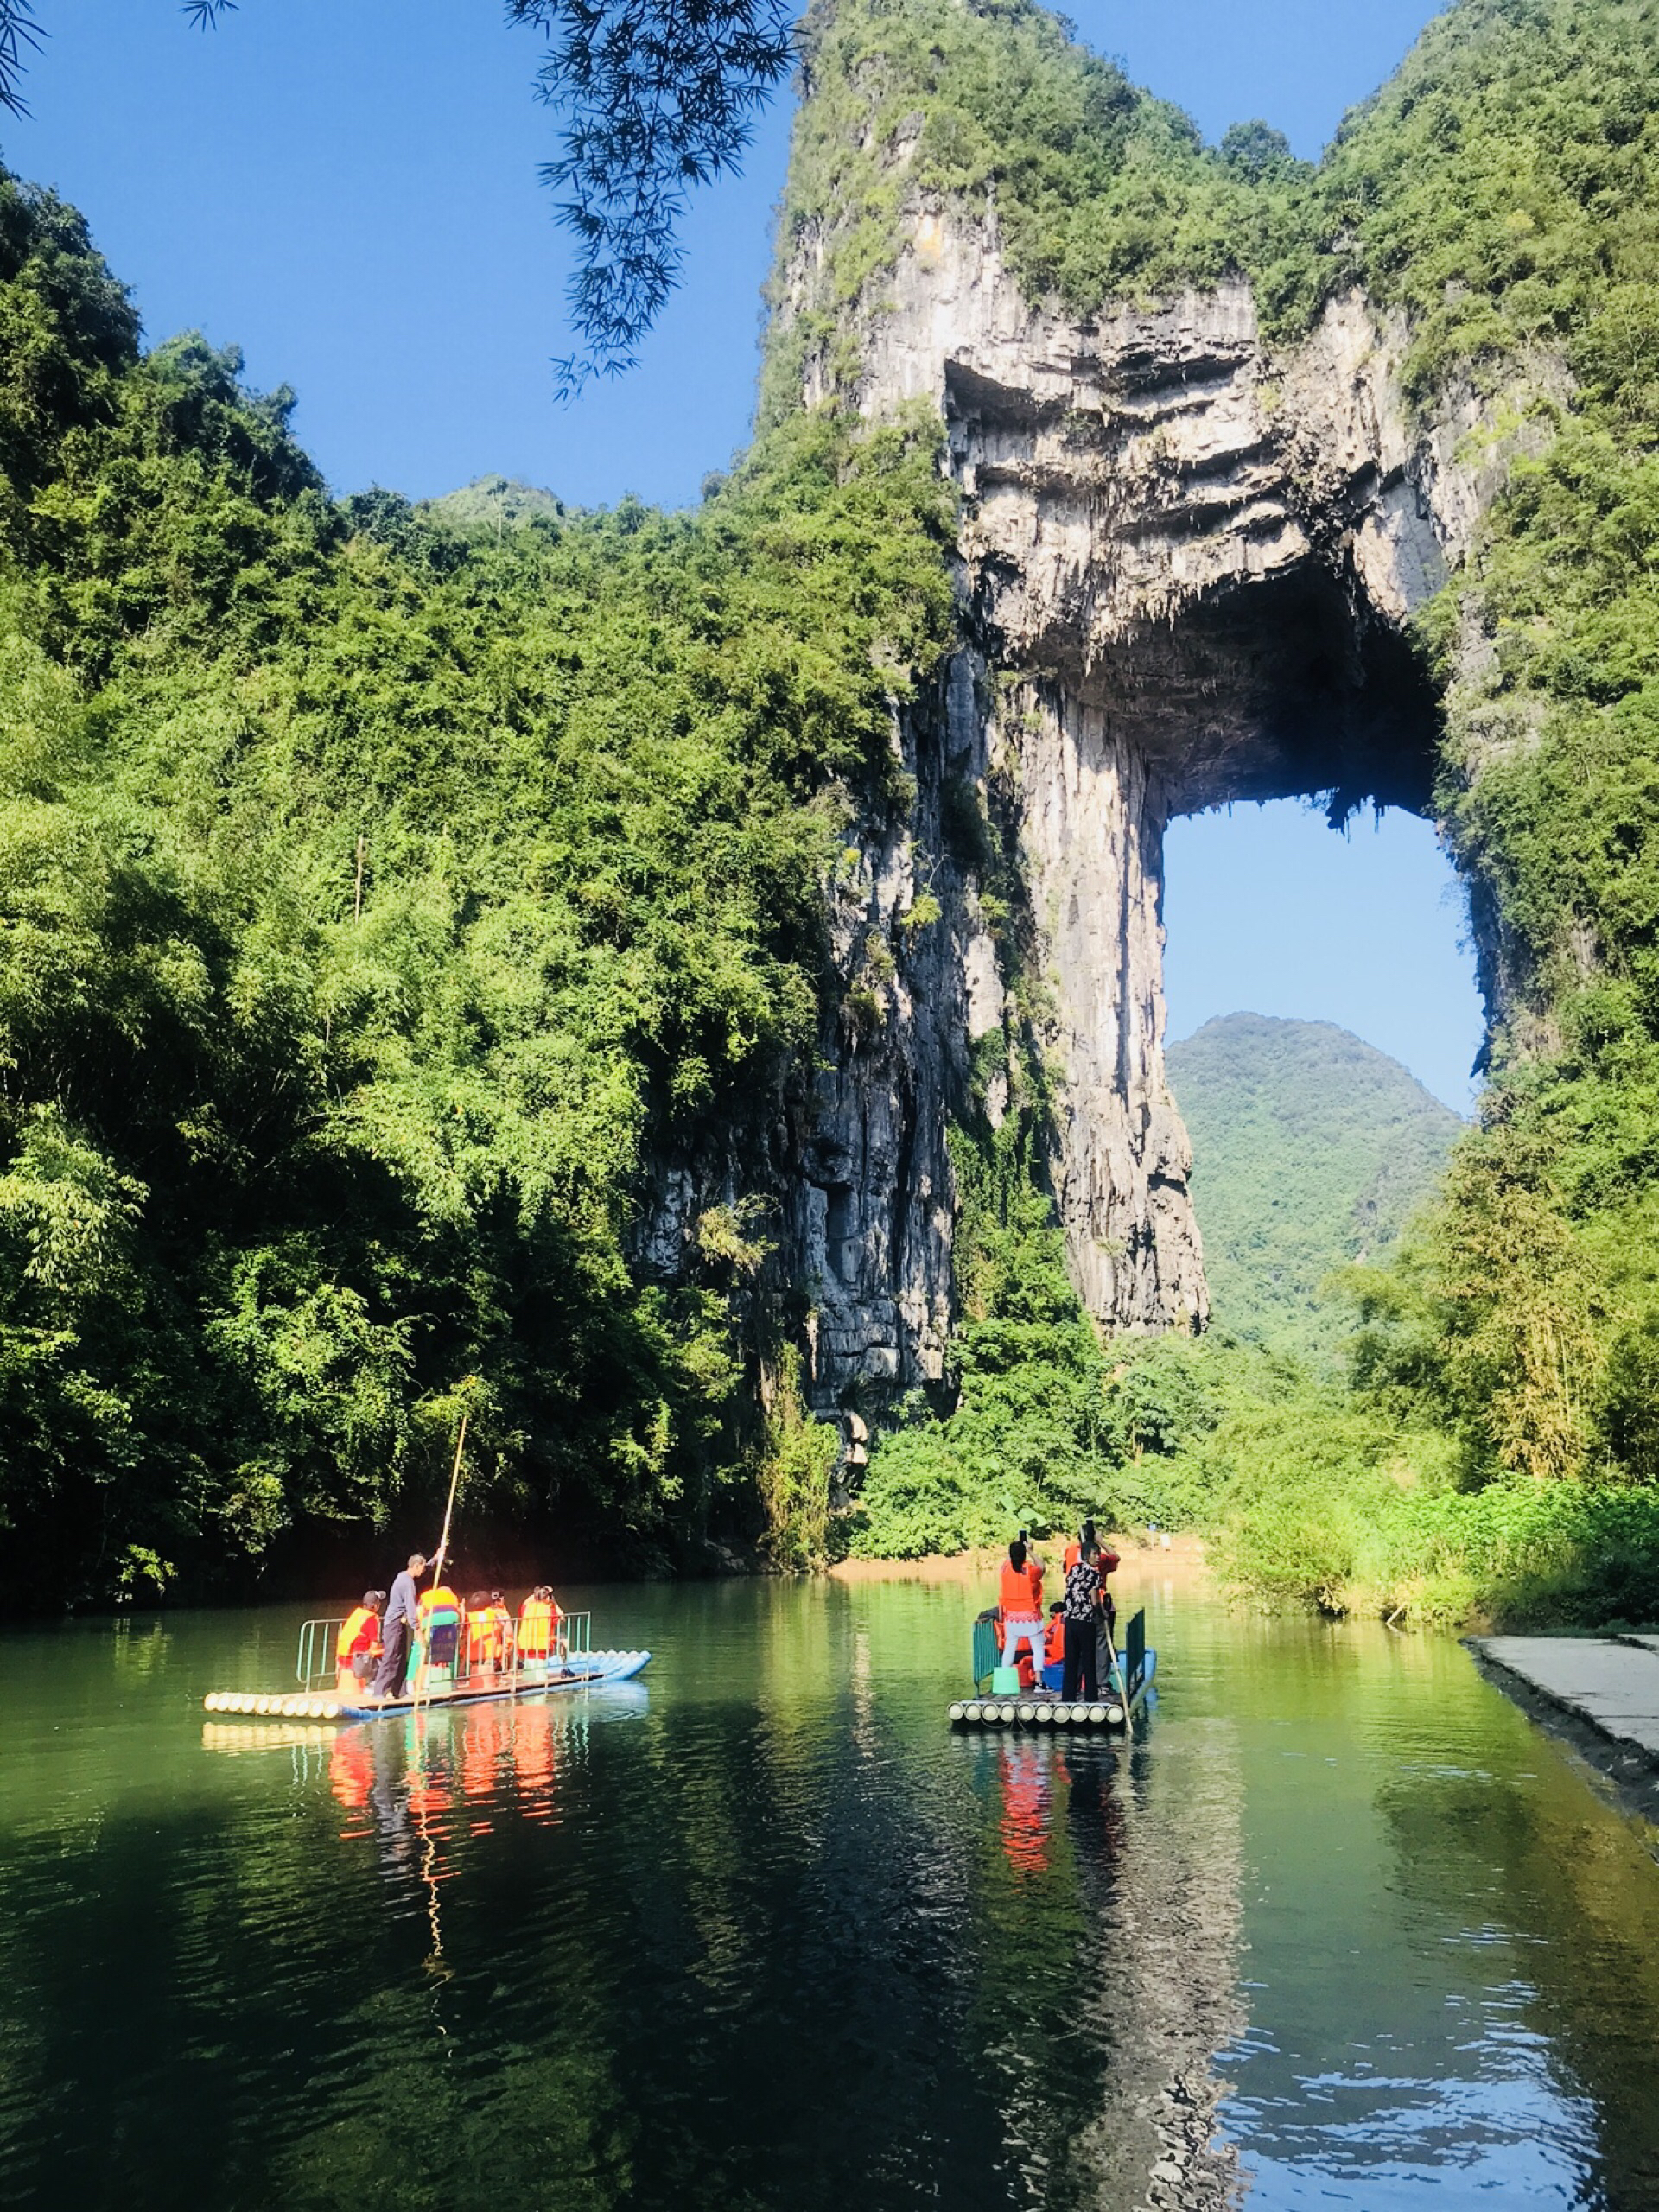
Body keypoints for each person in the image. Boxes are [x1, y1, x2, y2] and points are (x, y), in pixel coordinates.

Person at [370, 1554, 428, 1700]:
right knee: (391, 1656)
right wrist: (417, 1628)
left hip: (399, 1623)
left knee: (401, 1657)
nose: (423, 1571)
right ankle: (380, 1691)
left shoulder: (402, 1575)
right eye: (422, 1568)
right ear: (416, 1566)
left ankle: (398, 1690)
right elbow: (410, 1607)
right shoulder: (407, 1583)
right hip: (393, 1623)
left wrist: (436, 1557)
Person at [998, 1536, 1046, 1682]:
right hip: (1030, 1616)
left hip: (1012, 1616)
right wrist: (1031, 1551)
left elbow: (1008, 1561)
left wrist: (1016, 1548)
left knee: (1009, 1648)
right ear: (1024, 1554)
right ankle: (1038, 1682)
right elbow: (1042, 1567)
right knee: (1037, 1649)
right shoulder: (1030, 1571)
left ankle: (1004, 1681)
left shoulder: (1005, 1569)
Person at [1060, 1543, 1103, 1703]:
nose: (1098, 1557)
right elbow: (1094, 1601)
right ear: (1086, 1556)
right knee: (1088, 1660)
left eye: (1098, 1554)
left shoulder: (1074, 1569)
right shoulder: (1094, 1575)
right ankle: (1091, 1698)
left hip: (1070, 1621)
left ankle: (1068, 1698)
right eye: (1095, 1554)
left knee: (1071, 1661)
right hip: (1085, 1621)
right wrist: (1102, 1614)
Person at [336, 1589, 386, 1694]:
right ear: (374, 1606)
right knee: (386, 1655)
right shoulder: (371, 1619)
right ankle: (372, 1685)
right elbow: (374, 1646)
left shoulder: (357, 1614)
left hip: (343, 1657)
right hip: (356, 1659)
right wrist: (386, 1647)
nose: (380, 1605)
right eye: (378, 1603)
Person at [518, 1585, 564, 1669]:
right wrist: (554, 1603)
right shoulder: (549, 1609)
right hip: (542, 1648)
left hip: (525, 1647)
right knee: (563, 1637)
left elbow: (525, 1602)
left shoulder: (526, 1608)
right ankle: (564, 1667)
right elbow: (562, 1619)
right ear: (548, 1598)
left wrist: (537, 1595)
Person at [1042, 1599, 1065, 1692]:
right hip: (1067, 1651)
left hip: (1057, 1651)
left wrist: (1050, 1636)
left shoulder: (1057, 1619)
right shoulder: (1067, 1619)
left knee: (1038, 1650)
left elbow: (1045, 1631)